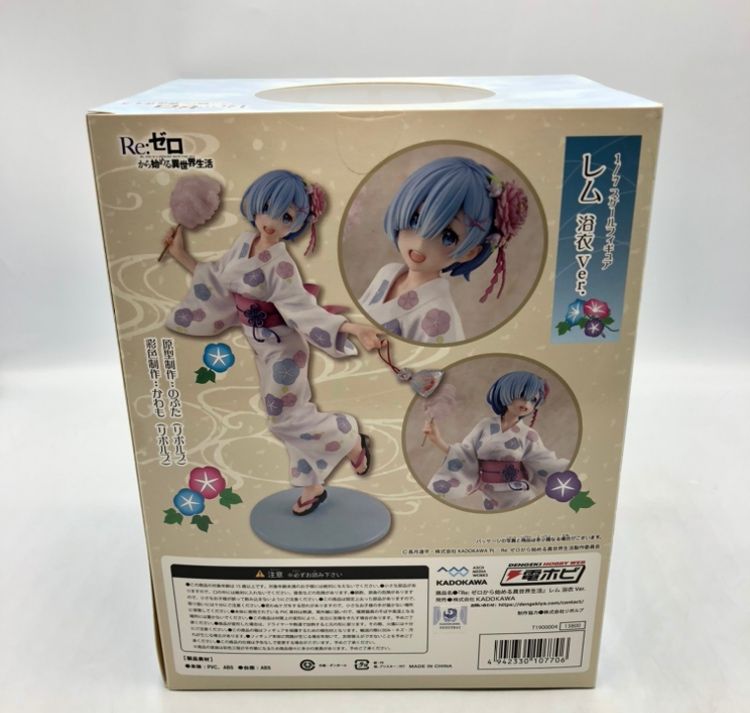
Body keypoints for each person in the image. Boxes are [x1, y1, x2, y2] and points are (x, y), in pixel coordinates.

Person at [163, 169, 384, 516]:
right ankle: (312, 483)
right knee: (288, 415)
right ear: (255, 205)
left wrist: (352, 328)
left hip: (284, 350)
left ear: (298, 224)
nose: (272, 222)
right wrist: (180, 253)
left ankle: (347, 436)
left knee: (284, 418)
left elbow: (303, 309)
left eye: (287, 217)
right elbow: (217, 281)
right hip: (261, 346)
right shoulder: (242, 243)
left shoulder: (281, 265)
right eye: (267, 208)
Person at [358, 156, 528, 344]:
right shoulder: (387, 273)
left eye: (448, 236)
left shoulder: (439, 315)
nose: (421, 243)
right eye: (415, 220)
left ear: (469, 252)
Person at [423, 370, 568, 511]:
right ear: (506, 392)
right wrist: (437, 440)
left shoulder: (529, 434)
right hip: (490, 497)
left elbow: (544, 462)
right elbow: (465, 454)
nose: (526, 403)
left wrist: (569, 472)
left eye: (533, 400)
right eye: (522, 395)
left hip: (519, 496)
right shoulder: (485, 425)